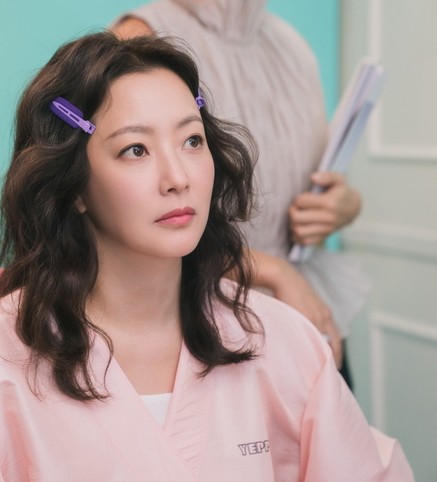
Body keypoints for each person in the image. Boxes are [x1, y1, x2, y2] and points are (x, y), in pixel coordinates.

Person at [0, 32, 411, 481]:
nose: (178, 177)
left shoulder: (281, 341)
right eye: (135, 150)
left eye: (192, 141)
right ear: (74, 185)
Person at [112, 0, 371, 386]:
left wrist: (343, 206)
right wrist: (271, 271)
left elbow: (309, 180)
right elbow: (122, 220)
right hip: (204, 325)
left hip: (304, 313)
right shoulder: (142, 36)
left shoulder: (293, 49)